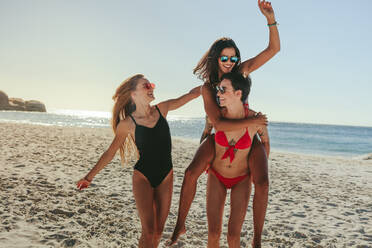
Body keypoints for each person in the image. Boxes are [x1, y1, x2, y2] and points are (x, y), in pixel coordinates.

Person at [169, 1, 280, 247]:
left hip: (245, 135)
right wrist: (255, 120)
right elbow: (217, 122)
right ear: (215, 58)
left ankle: (257, 239)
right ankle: (180, 223)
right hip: (219, 134)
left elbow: (273, 49)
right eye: (225, 57)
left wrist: (270, 19)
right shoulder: (209, 89)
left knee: (261, 183)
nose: (230, 61)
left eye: (234, 57)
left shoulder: (242, 72)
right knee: (190, 173)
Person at [76, 74, 201, 248]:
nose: (151, 88)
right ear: (133, 94)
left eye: (151, 85)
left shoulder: (162, 109)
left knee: (157, 232)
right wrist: (89, 177)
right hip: (143, 176)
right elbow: (110, 152)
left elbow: (191, 94)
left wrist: (208, 87)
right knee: (148, 231)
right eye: (146, 86)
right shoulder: (128, 124)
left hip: (166, 175)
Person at [207, 72, 269, 248]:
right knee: (213, 234)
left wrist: (256, 169)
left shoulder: (257, 120)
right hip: (216, 175)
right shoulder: (216, 116)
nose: (218, 93)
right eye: (218, 89)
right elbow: (206, 139)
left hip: (241, 178)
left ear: (238, 93)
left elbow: (265, 145)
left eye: (223, 89)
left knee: (233, 236)